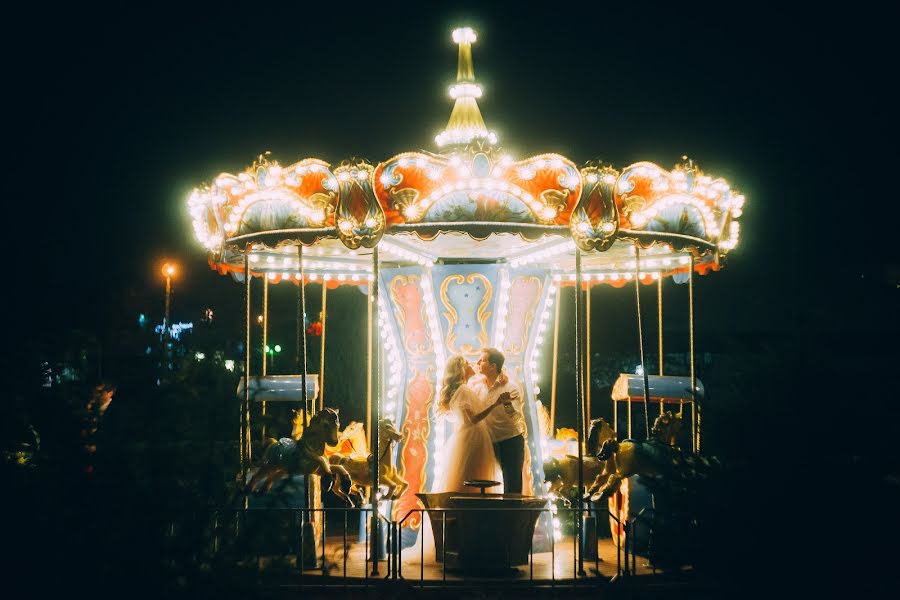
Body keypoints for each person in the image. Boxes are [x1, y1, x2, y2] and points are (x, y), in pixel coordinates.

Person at [437, 354, 510, 492]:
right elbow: (473, 419)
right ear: (462, 369)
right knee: (473, 473)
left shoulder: (464, 388)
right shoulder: (463, 390)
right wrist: (495, 404)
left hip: (471, 435)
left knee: (471, 474)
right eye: (467, 363)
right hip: (473, 436)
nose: (472, 364)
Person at [471, 347, 527, 494]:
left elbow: (515, 417)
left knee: (512, 485)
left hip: (509, 441)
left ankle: (512, 516)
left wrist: (507, 403)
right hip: (487, 442)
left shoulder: (510, 387)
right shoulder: (477, 388)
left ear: (493, 366)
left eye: (482, 360)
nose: (478, 362)